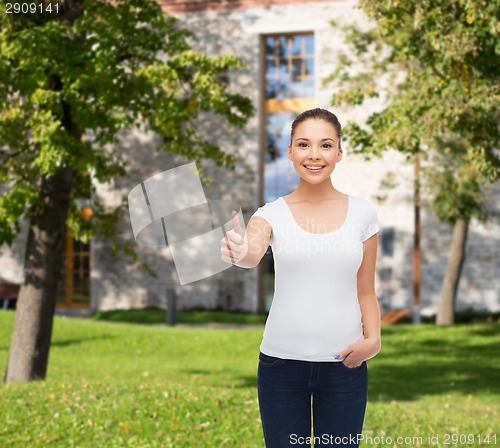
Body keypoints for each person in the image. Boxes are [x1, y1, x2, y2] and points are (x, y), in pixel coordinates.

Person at [221, 108, 381, 447]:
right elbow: (252, 253)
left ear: (339, 152)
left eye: (325, 145)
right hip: (280, 367)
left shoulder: (363, 213)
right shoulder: (270, 214)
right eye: (304, 144)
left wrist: (374, 340)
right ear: (291, 151)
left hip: (345, 368)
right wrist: (238, 251)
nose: (314, 155)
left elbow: (365, 290)